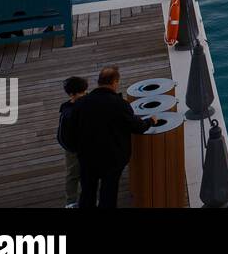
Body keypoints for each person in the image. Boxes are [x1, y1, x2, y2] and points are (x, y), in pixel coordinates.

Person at [71, 66, 162, 208]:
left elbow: (72, 129)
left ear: (99, 82)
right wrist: (151, 121)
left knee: (87, 191)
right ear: (114, 82)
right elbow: (136, 127)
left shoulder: (81, 103)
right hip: (112, 158)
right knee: (108, 193)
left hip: (87, 156)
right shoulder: (120, 104)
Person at [58, 76, 88, 208]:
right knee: (80, 173)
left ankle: (76, 200)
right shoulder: (70, 113)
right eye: (83, 92)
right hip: (80, 148)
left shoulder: (67, 111)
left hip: (78, 148)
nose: (85, 95)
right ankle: (76, 201)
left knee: (78, 174)